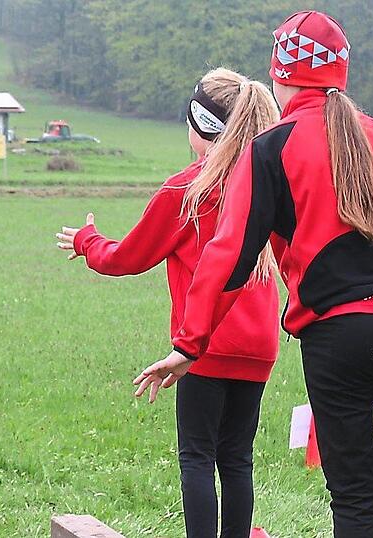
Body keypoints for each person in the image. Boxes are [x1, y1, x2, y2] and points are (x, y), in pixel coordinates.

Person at [133, 11, 373, 538]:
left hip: (339, 335)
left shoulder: (271, 148)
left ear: (281, 76)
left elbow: (230, 254)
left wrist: (190, 344)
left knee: (359, 501)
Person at [56, 68, 281, 538]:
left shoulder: (188, 190)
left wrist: (86, 240)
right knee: (237, 458)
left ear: (199, 126)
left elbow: (127, 258)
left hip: (203, 345)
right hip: (260, 345)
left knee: (197, 456)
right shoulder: (265, 182)